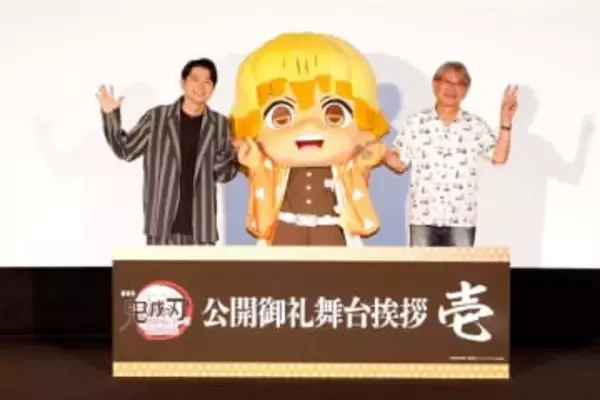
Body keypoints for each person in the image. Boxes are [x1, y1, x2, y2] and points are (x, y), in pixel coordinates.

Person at [230, 32, 389, 247]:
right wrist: (254, 162)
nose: (309, 126)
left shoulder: (347, 169)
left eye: (334, 114)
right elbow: (262, 179)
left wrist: (367, 158)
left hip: (332, 231)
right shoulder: (271, 169)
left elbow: (358, 172)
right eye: (281, 117)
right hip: (285, 231)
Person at [96, 58, 239, 245]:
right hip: (161, 227)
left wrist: (232, 152)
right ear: (183, 83)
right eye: (195, 79)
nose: (200, 87)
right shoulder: (157, 118)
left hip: (201, 230)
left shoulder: (219, 124)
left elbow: (223, 175)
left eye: (207, 82)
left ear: (213, 88)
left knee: (200, 267)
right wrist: (111, 115)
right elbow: (126, 150)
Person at [385, 61, 518, 247]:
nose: (452, 89)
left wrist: (505, 121)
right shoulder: (416, 123)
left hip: (461, 221)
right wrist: (378, 152)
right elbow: (399, 164)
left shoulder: (474, 125)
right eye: (447, 82)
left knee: (459, 267)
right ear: (435, 84)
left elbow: (499, 157)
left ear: (466, 90)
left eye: (459, 84)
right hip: (423, 218)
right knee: (421, 267)